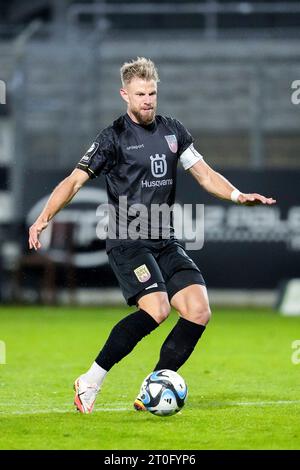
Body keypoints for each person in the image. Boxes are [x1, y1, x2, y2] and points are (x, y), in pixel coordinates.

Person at [28, 57, 276, 414]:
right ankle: (90, 380)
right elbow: (74, 182)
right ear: (124, 95)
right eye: (140, 94)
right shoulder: (112, 138)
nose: (147, 100)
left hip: (165, 238)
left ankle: (156, 386)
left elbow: (205, 174)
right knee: (158, 309)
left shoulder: (173, 131)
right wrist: (44, 218)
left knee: (197, 310)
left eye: (152, 93)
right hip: (127, 240)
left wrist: (238, 195)